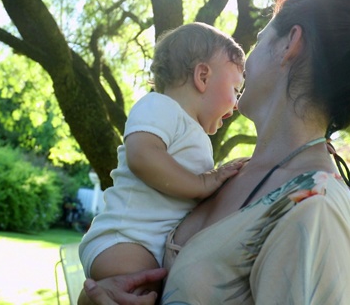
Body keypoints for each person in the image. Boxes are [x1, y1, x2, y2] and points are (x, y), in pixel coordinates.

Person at [79, 0, 350, 305]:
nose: (246, 61)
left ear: (289, 43)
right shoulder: (230, 173)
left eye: (260, 38)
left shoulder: (314, 208)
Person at [78, 22, 247, 293]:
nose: (237, 102)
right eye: (235, 89)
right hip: (124, 241)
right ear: (202, 76)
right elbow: (142, 155)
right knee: (146, 288)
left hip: (146, 247)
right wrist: (204, 183)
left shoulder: (193, 132)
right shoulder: (159, 106)